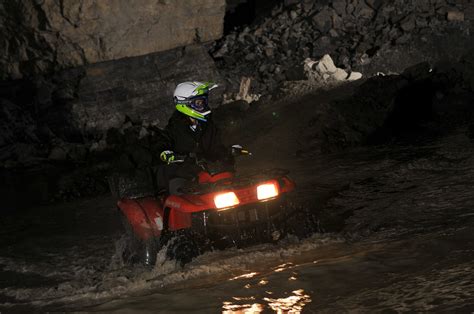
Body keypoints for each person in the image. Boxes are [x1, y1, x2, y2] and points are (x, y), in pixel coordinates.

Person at [155, 81, 234, 192]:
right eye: (199, 103)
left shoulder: (209, 126)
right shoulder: (174, 128)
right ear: (185, 104)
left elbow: (216, 146)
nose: (203, 106)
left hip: (207, 173)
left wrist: (227, 154)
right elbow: (161, 144)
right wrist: (166, 154)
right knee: (178, 191)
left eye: (204, 102)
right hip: (182, 176)